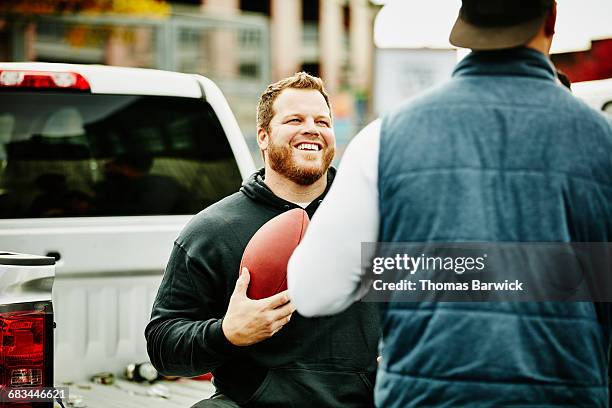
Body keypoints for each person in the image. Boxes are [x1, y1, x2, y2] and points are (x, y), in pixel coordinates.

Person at [288, 1, 612, 407]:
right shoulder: (602, 140)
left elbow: (315, 291)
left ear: (464, 26)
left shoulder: (385, 139)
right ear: (551, 19)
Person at [145, 72, 379, 408]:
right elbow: (163, 346)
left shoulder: (377, 221)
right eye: (295, 119)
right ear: (263, 136)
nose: (311, 128)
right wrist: (226, 332)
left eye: (322, 121)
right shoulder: (213, 230)